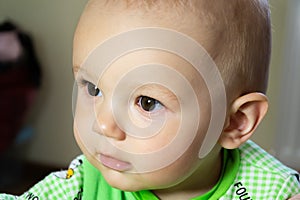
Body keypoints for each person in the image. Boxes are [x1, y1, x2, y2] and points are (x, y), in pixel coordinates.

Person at [1, 0, 300, 199]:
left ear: (235, 122)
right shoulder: (81, 185)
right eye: (93, 89)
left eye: (146, 102)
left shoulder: (272, 190)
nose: (103, 125)